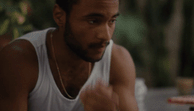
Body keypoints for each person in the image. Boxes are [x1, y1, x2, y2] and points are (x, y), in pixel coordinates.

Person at [0, 0, 138, 110]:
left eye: (112, 21)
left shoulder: (118, 61)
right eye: (93, 21)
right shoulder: (18, 60)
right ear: (59, 16)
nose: (106, 36)